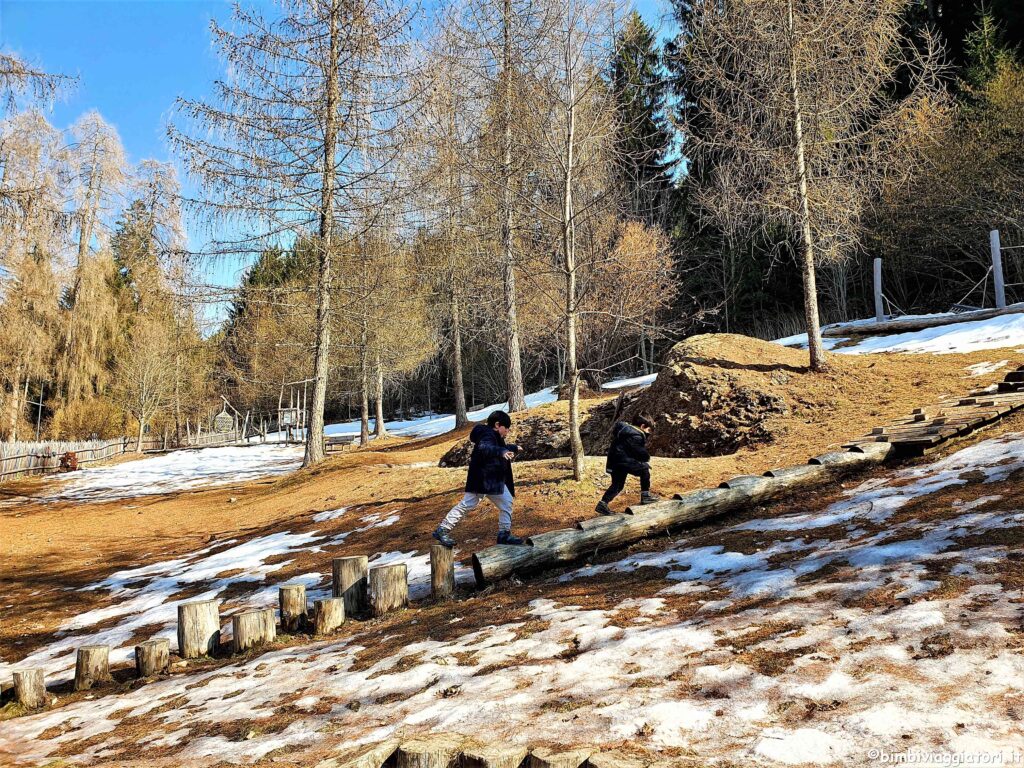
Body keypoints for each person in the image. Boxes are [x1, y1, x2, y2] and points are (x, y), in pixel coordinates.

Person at [433, 410, 525, 547]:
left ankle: (504, 535)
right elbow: (485, 447)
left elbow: (499, 446)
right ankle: (442, 530)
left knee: (507, 502)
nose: (508, 431)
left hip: (493, 482)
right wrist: (502, 452)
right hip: (481, 481)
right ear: (497, 424)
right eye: (506, 428)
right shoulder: (486, 435)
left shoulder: (493, 436)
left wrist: (513, 447)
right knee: (467, 504)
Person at [596, 414, 660, 515]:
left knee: (617, 484)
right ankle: (646, 496)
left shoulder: (624, 431)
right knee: (644, 470)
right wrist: (646, 458)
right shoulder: (636, 435)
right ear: (642, 426)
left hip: (614, 463)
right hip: (622, 462)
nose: (649, 433)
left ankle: (602, 504)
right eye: (649, 430)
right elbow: (641, 453)